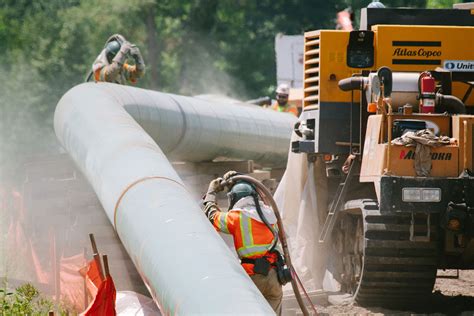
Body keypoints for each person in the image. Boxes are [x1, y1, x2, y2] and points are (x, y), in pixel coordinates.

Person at [202, 171, 283, 314]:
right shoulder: (269, 214)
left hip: (253, 276)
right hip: (274, 276)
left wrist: (211, 193)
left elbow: (212, 217)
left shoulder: (237, 217)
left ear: (234, 198)